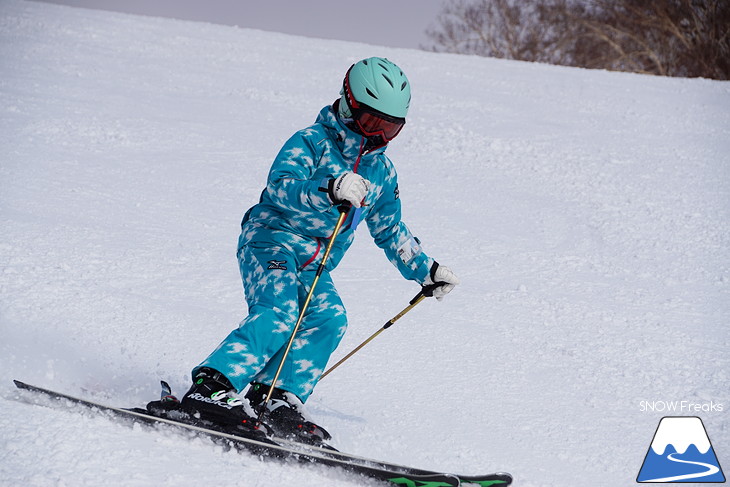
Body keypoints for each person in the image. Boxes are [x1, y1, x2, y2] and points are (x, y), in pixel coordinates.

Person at [178, 57, 460, 442]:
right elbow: (281, 187)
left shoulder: (382, 173)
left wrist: (425, 269)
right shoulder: (311, 142)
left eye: (390, 128)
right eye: (371, 123)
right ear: (349, 105)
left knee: (329, 319)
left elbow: (390, 229)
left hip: (315, 262)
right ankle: (211, 388)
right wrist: (329, 188)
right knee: (278, 310)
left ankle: (275, 399)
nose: (378, 136)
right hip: (270, 240)